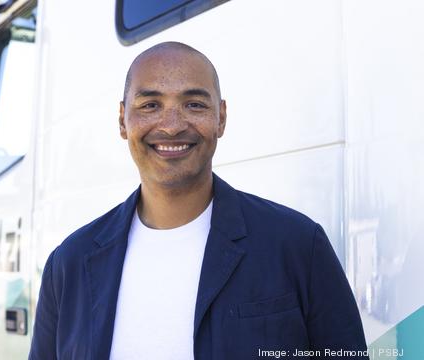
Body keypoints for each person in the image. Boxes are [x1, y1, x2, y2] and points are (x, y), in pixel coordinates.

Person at [29, 42, 368, 360]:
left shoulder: (297, 244)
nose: (173, 126)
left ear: (221, 117)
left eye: (194, 104)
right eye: (150, 105)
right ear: (122, 120)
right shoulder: (69, 264)